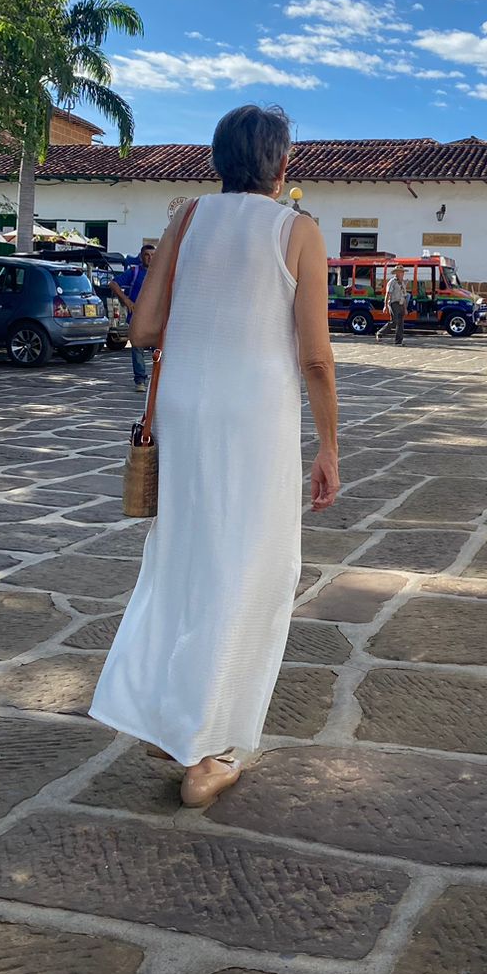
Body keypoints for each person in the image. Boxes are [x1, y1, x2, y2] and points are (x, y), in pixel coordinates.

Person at [90, 104, 340, 808]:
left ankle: (164, 708)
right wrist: (329, 445)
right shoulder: (299, 231)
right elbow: (316, 358)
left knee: (183, 556)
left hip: (186, 412)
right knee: (255, 567)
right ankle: (211, 750)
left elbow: (141, 329)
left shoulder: (188, 218)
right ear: (283, 165)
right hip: (253, 417)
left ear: (216, 160)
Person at [110, 244, 156, 391]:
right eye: (147, 255)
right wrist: (126, 300)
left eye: (153, 255)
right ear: (142, 256)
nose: (150, 258)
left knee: (159, 350)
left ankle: (157, 382)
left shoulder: (161, 273)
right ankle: (140, 381)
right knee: (137, 348)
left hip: (155, 317)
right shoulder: (134, 272)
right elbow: (114, 284)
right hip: (137, 317)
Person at [377, 265, 410, 343]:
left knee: (401, 323)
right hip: (394, 303)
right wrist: (385, 306)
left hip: (401, 303)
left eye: (403, 272)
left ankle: (398, 341)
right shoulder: (392, 282)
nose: (402, 273)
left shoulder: (403, 283)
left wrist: (405, 309)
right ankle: (380, 333)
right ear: (397, 273)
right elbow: (388, 294)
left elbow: (404, 296)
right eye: (401, 272)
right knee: (394, 321)